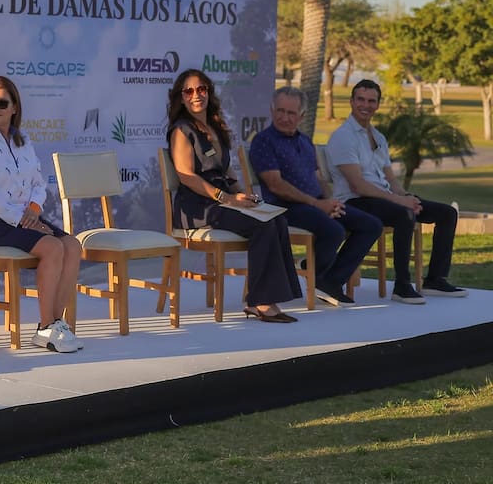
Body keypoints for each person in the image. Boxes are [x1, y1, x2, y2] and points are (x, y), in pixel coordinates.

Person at [167, 69, 302, 323]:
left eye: (202, 89)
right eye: (189, 91)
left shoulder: (215, 127)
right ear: (181, 98)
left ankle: (271, 297)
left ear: (209, 92)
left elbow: (225, 169)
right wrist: (226, 198)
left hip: (224, 201)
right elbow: (186, 175)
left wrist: (242, 195)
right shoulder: (181, 130)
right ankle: (260, 302)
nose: (196, 95)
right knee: (263, 226)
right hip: (198, 207)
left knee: (277, 220)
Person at [0, 75, 83, 352]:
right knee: (52, 247)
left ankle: (55, 323)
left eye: (1, 103)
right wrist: (23, 220)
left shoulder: (22, 140)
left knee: (72, 245)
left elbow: (39, 183)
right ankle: (45, 326)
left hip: (25, 219)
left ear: (14, 107)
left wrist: (34, 211)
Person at [325, 79, 467, 304]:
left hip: (383, 199)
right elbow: (357, 185)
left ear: (378, 105)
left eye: (372, 101)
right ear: (351, 102)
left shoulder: (378, 137)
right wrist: (399, 203)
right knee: (403, 214)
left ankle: (435, 279)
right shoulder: (343, 137)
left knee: (447, 213)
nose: (366, 105)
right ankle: (402, 285)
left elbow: (390, 179)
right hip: (356, 201)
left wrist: (406, 197)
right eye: (360, 99)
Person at [249, 86, 382, 307]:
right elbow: (276, 184)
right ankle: (319, 275)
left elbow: (317, 177)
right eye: (280, 111)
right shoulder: (264, 141)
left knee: (371, 225)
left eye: (291, 113)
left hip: (315, 204)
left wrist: (331, 202)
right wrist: (317, 204)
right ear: (271, 110)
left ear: (301, 116)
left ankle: (329, 280)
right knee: (334, 231)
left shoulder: (304, 141)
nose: (284, 117)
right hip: (284, 208)